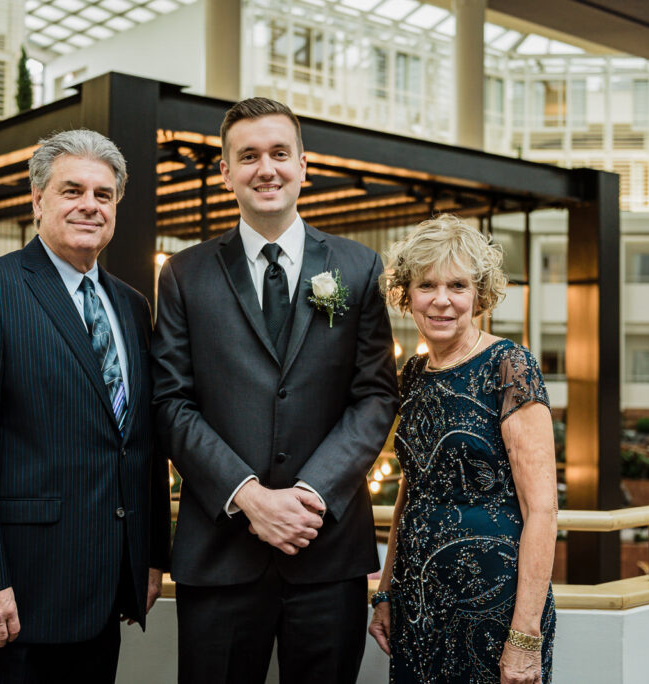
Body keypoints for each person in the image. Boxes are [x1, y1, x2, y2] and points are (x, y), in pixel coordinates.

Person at [152, 97, 399, 684]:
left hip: (326, 549)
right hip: (221, 552)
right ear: (226, 172)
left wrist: (310, 494)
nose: (266, 168)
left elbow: (375, 396)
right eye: (249, 156)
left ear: (303, 165)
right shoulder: (184, 273)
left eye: (280, 153)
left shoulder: (358, 267)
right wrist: (250, 497)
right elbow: (170, 402)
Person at [0, 129, 170, 683]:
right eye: (71, 190)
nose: (90, 205)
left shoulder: (131, 306)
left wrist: (149, 557)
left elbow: (140, 442)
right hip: (11, 600)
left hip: (104, 596)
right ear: (38, 200)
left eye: (103, 195)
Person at [369, 215, 558, 683]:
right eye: (426, 285)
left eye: (457, 285)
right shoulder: (412, 375)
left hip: (495, 606)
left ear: (479, 294)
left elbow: (543, 510)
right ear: (406, 294)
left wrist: (525, 636)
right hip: (418, 603)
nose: (441, 300)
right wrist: (386, 591)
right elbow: (411, 491)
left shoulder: (509, 366)